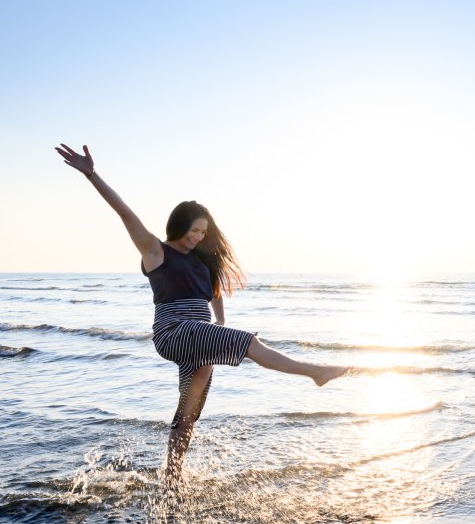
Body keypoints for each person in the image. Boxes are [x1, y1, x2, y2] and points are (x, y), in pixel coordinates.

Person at [55, 143, 348, 484]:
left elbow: (213, 292)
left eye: (203, 233)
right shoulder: (155, 251)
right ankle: (315, 372)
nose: (198, 237)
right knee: (248, 342)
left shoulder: (201, 262)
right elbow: (125, 214)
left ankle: (172, 477)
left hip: (200, 336)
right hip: (174, 332)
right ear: (179, 225)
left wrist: (219, 322)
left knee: (189, 412)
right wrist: (92, 174)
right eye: (194, 230)